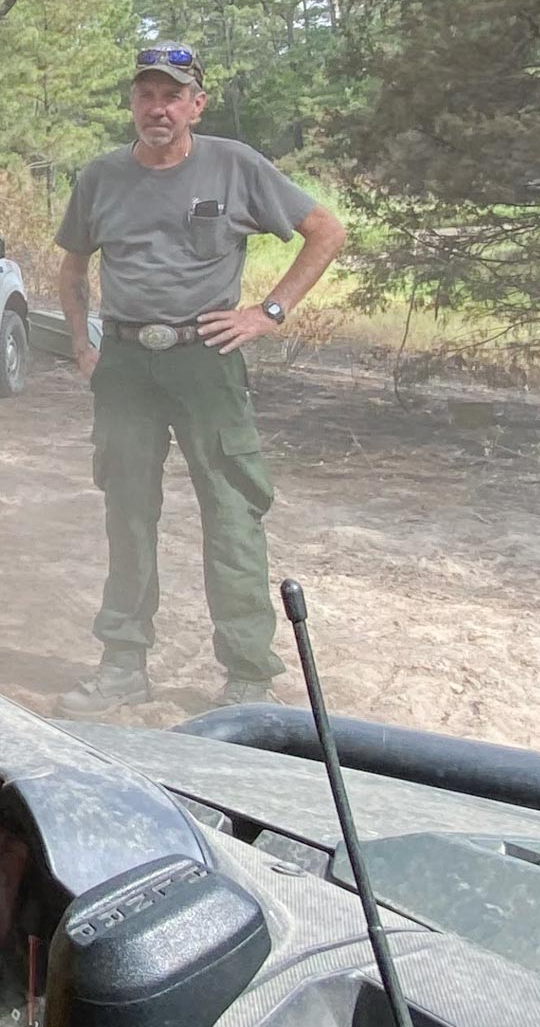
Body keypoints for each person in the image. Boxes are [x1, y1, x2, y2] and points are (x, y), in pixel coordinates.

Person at [53, 42, 347, 713]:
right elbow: (72, 269)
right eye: (146, 95)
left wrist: (267, 313)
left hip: (206, 358)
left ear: (196, 104)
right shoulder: (100, 177)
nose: (158, 108)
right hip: (125, 362)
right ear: (132, 102)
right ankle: (123, 664)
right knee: (127, 514)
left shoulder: (234, 165)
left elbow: (326, 231)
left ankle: (247, 675)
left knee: (232, 512)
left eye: (171, 96)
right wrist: (83, 345)